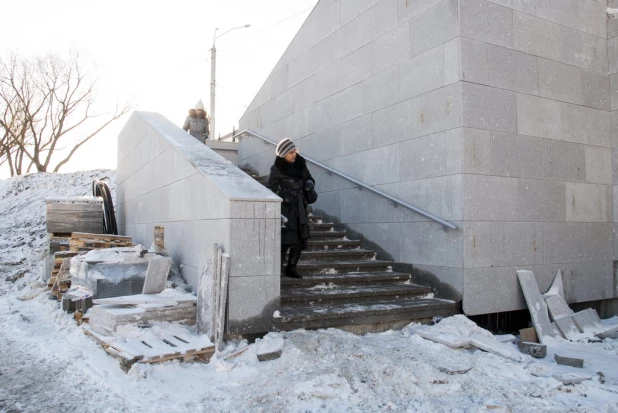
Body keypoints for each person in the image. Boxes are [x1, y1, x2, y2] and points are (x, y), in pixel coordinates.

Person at [267, 138, 315, 279]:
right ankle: (277, 269)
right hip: (286, 208)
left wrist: (310, 184)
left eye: (294, 151)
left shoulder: (301, 164)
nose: (294, 154)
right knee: (286, 240)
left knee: (299, 240)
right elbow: (272, 186)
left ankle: (291, 268)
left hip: (300, 206)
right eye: (290, 153)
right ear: (283, 154)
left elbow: (310, 178)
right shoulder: (277, 168)